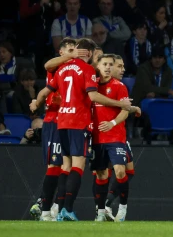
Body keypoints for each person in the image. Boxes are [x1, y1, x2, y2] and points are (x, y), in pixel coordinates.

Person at [30, 38, 132, 221]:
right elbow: (93, 95)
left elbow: (45, 91)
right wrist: (123, 105)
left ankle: (57, 208)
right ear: (91, 53)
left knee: (65, 166)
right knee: (77, 166)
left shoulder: (62, 68)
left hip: (61, 122)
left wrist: (35, 103)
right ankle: (66, 209)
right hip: (78, 122)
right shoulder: (87, 70)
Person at [28, 38, 81, 221]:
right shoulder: (56, 67)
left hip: (71, 121)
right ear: (62, 52)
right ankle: (44, 209)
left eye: (77, 50)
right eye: (71, 50)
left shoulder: (78, 68)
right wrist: (37, 102)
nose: (75, 53)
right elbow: (47, 64)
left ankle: (55, 207)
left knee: (67, 165)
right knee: (54, 165)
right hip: (54, 120)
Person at [91, 54, 141, 222]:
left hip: (115, 136)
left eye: (110, 65)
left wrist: (112, 123)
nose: (107, 67)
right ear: (98, 66)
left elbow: (125, 110)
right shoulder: (92, 87)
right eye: (104, 64)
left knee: (121, 171)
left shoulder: (119, 86)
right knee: (101, 175)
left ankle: (122, 207)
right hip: (97, 137)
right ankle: (100, 211)